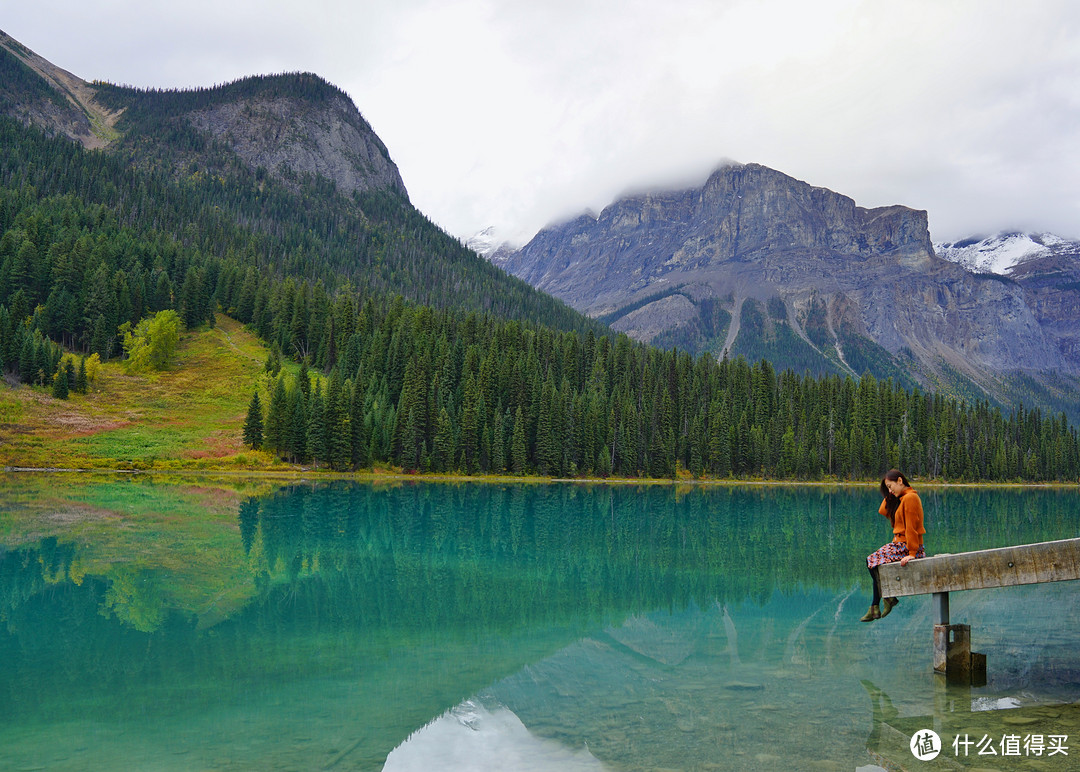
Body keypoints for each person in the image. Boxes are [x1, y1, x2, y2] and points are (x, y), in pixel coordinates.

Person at [860, 469, 926, 622]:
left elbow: (911, 527)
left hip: (906, 547)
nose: (890, 490)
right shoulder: (903, 498)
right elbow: (883, 510)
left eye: (891, 486)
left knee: (871, 561)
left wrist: (912, 553)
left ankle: (882, 602)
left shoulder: (910, 498)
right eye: (888, 488)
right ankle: (877, 605)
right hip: (900, 545)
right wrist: (891, 493)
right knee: (873, 563)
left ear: (900, 481)